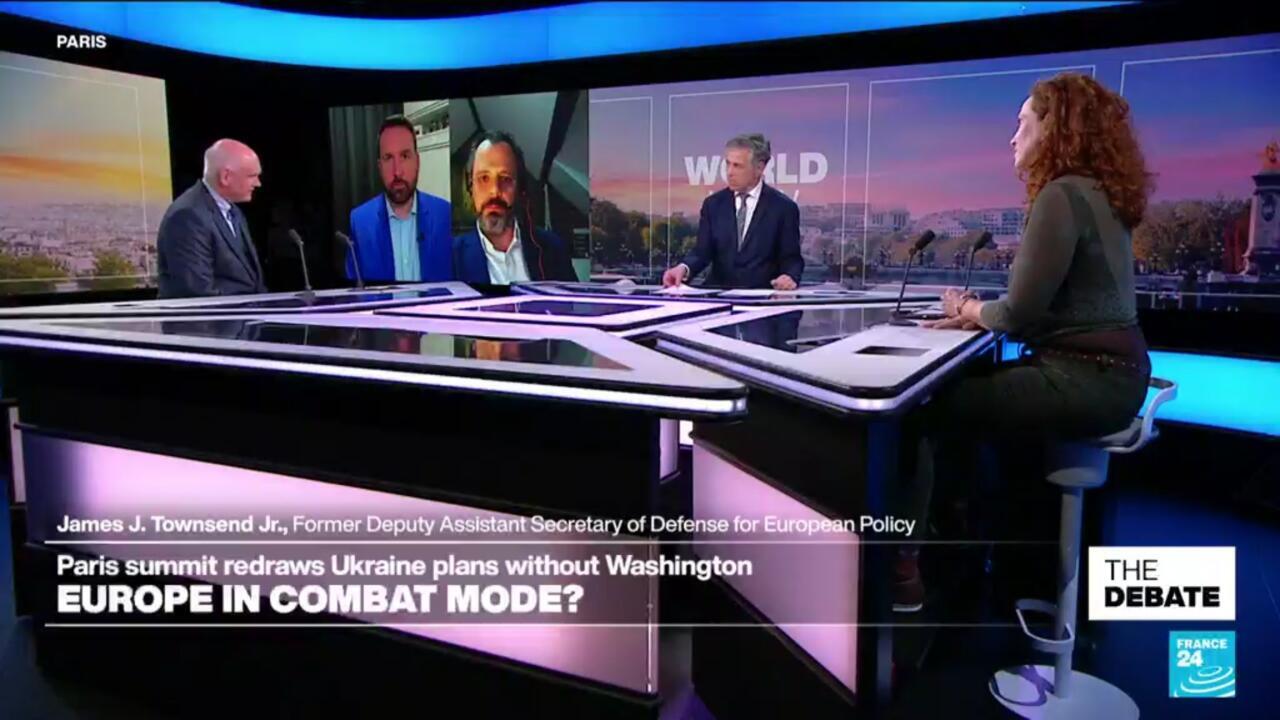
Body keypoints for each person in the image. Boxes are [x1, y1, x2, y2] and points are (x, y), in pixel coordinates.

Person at [894, 73, 1156, 612]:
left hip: (1084, 379)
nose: (1013, 138)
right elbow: (1046, 305)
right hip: (1116, 376)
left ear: (1055, 129)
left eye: (1023, 124)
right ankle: (961, 540)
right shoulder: (1097, 191)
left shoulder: (1061, 194)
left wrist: (968, 310)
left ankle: (906, 570)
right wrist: (982, 318)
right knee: (965, 393)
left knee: (919, 406)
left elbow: (1018, 312)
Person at [661, 133, 803, 290]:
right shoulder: (713, 205)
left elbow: (791, 259)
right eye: (727, 164)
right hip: (718, 295)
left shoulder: (783, 208)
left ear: (759, 168)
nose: (729, 172)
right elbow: (702, 252)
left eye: (737, 166)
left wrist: (789, 276)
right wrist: (684, 268)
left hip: (760, 297)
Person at [452, 131, 576, 284]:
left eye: (505, 179)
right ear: (470, 188)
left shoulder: (554, 249)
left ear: (520, 187)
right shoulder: (450, 258)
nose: (495, 191)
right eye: (484, 178)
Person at [346, 115, 453, 283]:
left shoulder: (446, 215)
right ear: (379, 167)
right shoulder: (359, 222)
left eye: (405, 156)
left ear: (417, 161)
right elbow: (353, 289)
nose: (397, 172)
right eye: (388, 158)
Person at [156, 139, 266, 298]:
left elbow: (251, 281)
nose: (258, 183)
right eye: (252, 176)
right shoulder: (188, 216)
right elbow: (197, 292)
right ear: (225, 177)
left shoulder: (233, 210)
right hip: (215, 315)